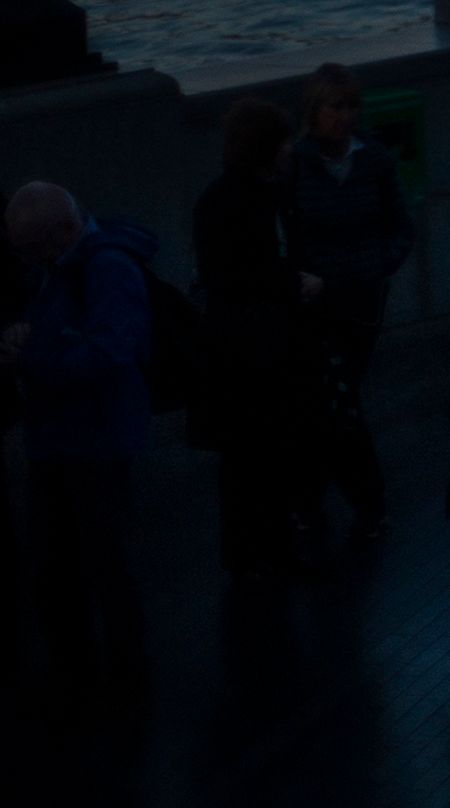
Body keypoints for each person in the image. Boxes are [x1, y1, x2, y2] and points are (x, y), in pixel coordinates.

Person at [5, 179, 155, 695]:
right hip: (75, 436)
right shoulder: (77, 266)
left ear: (64, 230)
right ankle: (107, 672)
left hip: (89, 439)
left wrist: (30, 357)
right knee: (79, 564)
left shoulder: (104, 270)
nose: (29, 258)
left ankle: (101, 674)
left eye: (33, 247)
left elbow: (109, 354)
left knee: (88, 563)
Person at [192, 98, 332, 578]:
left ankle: (247, 555)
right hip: (264, 347)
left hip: (236, 348)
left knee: (243, 458)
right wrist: (297, 284)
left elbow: (222, 274)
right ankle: (273, 551)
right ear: (267, 147)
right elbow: (255, 270)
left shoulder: (217, 199)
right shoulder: (263, 199)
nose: (291, 148)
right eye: (284, 141)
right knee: (270, 450)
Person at [282, 61, 405, 540]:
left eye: (352, 106)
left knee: (333, 400)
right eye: (337, 106)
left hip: (360, 301)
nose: (347, 116)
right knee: (335, 401)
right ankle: (357, 503)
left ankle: (318, 504)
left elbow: (400, 225)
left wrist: (378, 266)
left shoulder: (373, 161)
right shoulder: (295, 165)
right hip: (315, 305)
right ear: (314, 110)